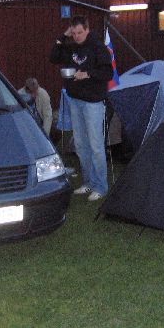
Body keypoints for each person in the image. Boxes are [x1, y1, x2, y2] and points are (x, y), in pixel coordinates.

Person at [50, 15, 112, 201]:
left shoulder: (98, 47)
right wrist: (63, 36)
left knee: (95, 145)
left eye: (80, 32)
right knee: (80, 144)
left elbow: (108, 72)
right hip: (75, 100)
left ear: (87, 30)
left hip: (93, 102)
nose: (77, 36)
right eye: (74, 33)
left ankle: (101, 187)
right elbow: (53, 57)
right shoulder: (71, 47)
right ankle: (88, 182)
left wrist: (88, 74)